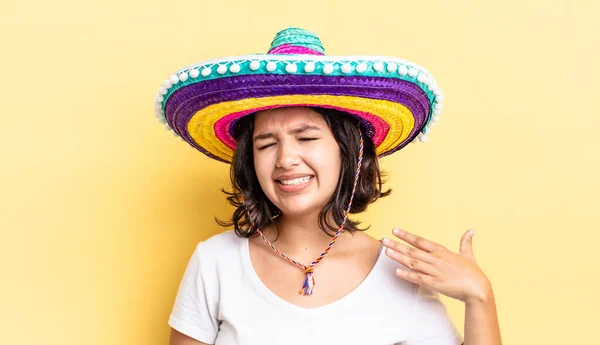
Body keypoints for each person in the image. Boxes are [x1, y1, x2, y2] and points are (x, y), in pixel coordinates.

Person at [154, 27, 502, 345]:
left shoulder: (401, 273)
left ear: (347, 151)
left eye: (306, 137)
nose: (285, 159)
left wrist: (479, 297)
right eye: (265, 144)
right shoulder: (216, 262)